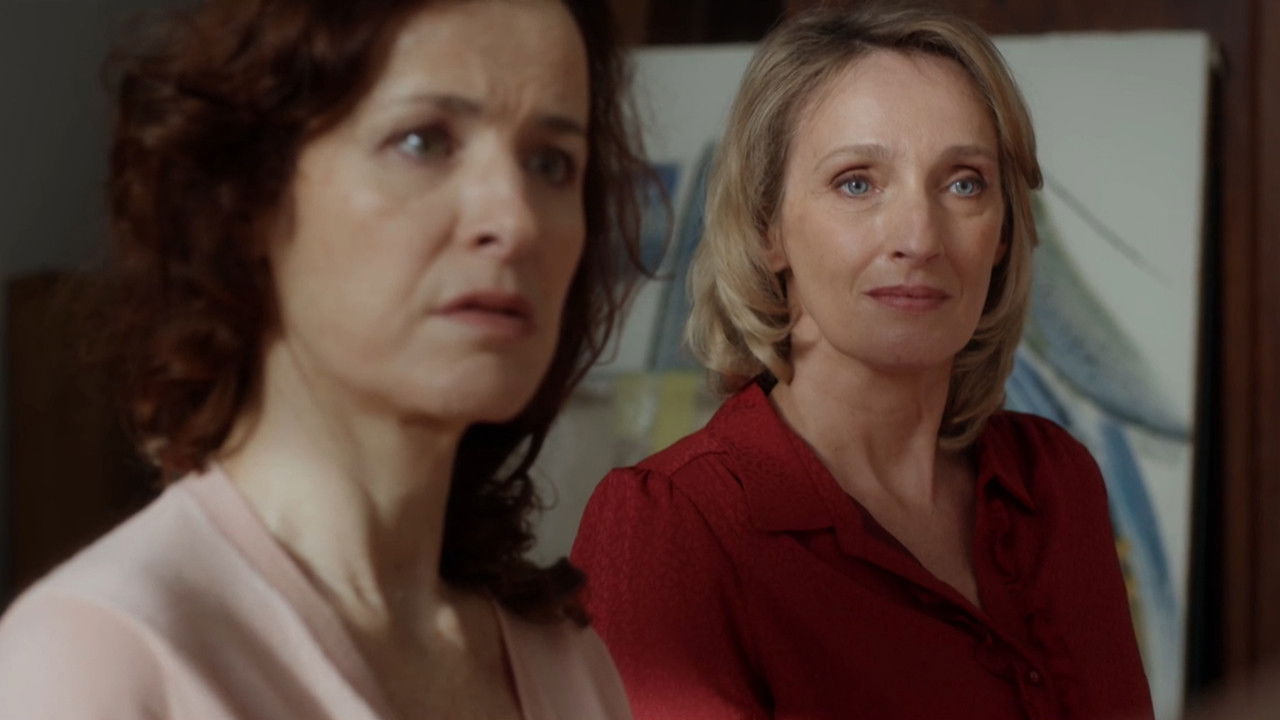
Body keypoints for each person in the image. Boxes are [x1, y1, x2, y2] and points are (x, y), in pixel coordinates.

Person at [0, 0, 646, 717]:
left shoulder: (567, 662)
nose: (516, 220)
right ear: (248, 196)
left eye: (552, 162)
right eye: (423, 142)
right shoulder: (103, 660)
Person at [572, 5, 1155, 720]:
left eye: (964, 182)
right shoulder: (670, 525)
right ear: (767, 230)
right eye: (857, 182)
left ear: (1003, 232)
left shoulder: (1056, 481)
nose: (919, 237)